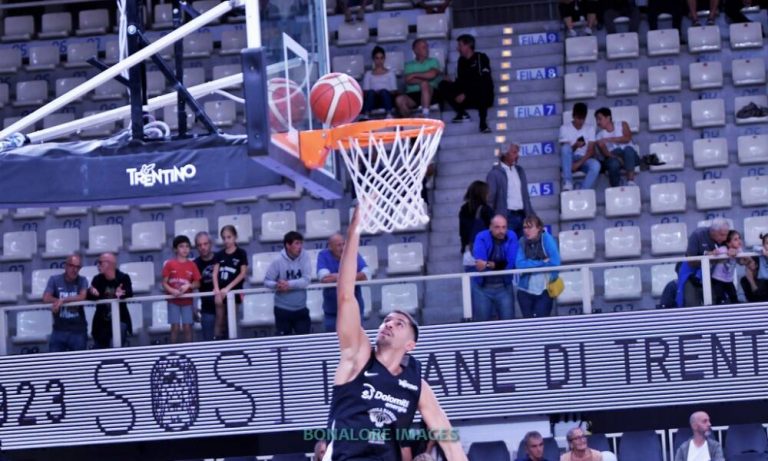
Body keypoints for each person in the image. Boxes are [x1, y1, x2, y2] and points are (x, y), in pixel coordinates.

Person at [322, 207, 467, 461]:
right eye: (386, 320)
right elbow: (345, 296)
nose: (388, 324)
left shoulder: (416, 385)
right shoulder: (358, 357)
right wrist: (355, 227)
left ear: (410, 345)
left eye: (399, 323)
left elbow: (450, 442)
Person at [439, 34, 494, 133]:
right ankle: (462, 113)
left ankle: (483, 124)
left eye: (460, 45)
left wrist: (466, 94)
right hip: (466, 97)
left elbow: (484, 80)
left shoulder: (480, 57)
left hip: (481, 96)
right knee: (443, 84)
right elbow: (461, 82)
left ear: (468, 45)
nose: (457, 48)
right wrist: (452, 83)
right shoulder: (461, 61)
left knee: (483, 88)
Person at [317, 233, 370, 332]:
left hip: (354, 310)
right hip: (332, 312)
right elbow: (325, 278)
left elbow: (366, 275)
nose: (342, 248)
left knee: (355, 339)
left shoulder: (352, 253)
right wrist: (352, 276)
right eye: (338, 245)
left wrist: (336, 276)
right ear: (330, 247)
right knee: (333, 340)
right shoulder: (323, 255)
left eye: (343, 244)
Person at [264, 231, 312, 335]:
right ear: (288, 245)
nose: (300, 247)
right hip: (282, 309)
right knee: (284, 342)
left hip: (301, 308)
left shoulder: (305, 256)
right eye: (297, 243)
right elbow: (267, 281)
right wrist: (277, 285)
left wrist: (288, 284)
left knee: (304, 341)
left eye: (301, 243)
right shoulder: (278, 260)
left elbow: (306, 280)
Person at [472, 215, 519, 321]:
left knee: (509, 324)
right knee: (481, 325)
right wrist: (498, 265)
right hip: (482, 289)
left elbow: (511, 263)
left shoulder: (512, 236)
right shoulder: (481, 237)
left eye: (504, 227)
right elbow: (480, 265)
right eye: (497, 227)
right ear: (490, 227)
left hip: (504, 287)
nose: (501, 231)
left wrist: (489, 264)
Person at [676, 219, 731, 307]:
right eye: (721, 235)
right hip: (691, 274)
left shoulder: (724, 239)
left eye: (726, 235)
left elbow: (735, 246)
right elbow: (691, 261)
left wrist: (733, 250)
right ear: (713, 231)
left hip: (712, 275)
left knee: (716, 302)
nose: (725, 238)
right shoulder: (697, 235)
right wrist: (708, 257)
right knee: (691, 303)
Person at [516, 215, 560, 318]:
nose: (526, 231)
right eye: (524, 227)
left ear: (539, 228)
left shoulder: (547, 239)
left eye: (530, 227)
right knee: (529, 324)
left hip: (545, 290)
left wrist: (529, 263)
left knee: (542, 323)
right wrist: (542, 262)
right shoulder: (522, 241)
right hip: (524, 290)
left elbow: (555, 263)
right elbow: (520, 265)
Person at [486, 143, 534, 238]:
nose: (517, 155)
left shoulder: (520, 171)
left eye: (517, 152)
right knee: (508, 245)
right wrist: (493, 219)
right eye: (514, 152)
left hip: (523, 216)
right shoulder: (494, 174)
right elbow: (490, 199)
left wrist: (532, 215)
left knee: (523, 244)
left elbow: (525, 196)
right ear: (505, 154)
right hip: (506, 217)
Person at [43, 253, 89, 352]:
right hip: (59, 329)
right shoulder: (54, 280)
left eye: (78, 267)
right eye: (72, 266)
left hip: (78, 330)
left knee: (79, 360)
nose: (75, 270)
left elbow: (82, 296)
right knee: (55, 359)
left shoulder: (82, 280)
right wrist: (57, 301)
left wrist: (63, 300)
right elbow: (46, 297)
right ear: (66, 266)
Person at [88, 252, 133, 348]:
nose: (98, 265)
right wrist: (92, 292)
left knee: (115, 349)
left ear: (109, 263)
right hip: (101, 323)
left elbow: (129, 292)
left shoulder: (123, 278)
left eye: (100, 262)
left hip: (120, 320)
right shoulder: (97, 279)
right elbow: (90, 296)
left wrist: (122, 293)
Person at [162, 235, 202, 344]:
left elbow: (198, 283)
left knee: (187, 327)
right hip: (173, 301)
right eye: (181, 246)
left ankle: (189, 351)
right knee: (174, 328)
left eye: (187, 246)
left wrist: (189, 286)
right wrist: (172, 291)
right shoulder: (169, 264)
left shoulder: (192, 265)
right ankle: (173, 351)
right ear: (175, 249)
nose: (185, 249)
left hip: (187, 302)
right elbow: (164, 283)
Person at [212, 225, 248, 340]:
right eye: (224, 238)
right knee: (219, 319)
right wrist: (217, 289)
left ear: (235, 237)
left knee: (232, 321)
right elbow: (214, 273)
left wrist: (228, 288)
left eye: (229, 237)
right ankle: (217, 344)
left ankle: (233, 345)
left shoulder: (241, 253)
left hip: (234, 293)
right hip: (220, 293)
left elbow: (242, 273)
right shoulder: (219, 254)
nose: (226, 240)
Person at [396, 39, 442, 118]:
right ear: (416, 50)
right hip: (413, 94)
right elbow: (408, 80)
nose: (427, 49)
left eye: (427, 47)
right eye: (424, 47)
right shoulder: (409, 65)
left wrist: (414, 74)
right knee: (399, 99)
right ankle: (410, 120)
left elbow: (432, 75)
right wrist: (425, 76)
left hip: (431, 93)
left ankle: (425, 114)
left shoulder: (433, 61)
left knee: (424, 84)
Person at [594, 107, 640, 188]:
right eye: (596, 120)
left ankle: (630, 181)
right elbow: (606, 154)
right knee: (613, 164)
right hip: (613, 157)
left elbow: (627, 138)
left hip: (630, 156)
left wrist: (608, 139)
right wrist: (617, 158)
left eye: (599, 119)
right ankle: (615, 188)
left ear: (608, 118)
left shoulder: (622, 124)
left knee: (628, 150)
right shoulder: (599, 136)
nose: (598, 122)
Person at [560, 102, 600, 191]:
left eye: (583, 119)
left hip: (584, 158)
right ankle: (568, 182)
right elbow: (566, 152)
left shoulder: (590, 128)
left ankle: (583, 190)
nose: (581, 122)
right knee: (565, 148)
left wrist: (578, 164)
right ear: (573, 116)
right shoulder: (564, 128)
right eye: (578, 118)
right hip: (570, 159)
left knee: (596, 165)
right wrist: (575, 146)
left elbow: (590, 151)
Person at [459, 180, 494, 272]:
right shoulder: (486, 210)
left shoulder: (464, 209)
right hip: (485, 248)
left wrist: (463, 247)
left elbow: (462, 231)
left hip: (470, 248)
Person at [361, 46, 398, 120]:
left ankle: (389, 113)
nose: (379, 61)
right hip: (373, 98)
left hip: (386, 97)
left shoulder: (390, 73)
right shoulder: (368, 74)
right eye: (377, 58)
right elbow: (365, 91)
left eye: (381, 58)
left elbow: (394, 91)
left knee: (383, 92)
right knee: (371, 93)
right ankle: (366, 114)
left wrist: (382, 91)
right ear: (373, 59)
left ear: (384, 59)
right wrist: (376, 92)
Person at [193, 231, 217, 341]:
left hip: (225, 308)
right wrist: (193, 307)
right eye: (199, 245)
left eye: (205, 244)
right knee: (209, 344)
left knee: (228, 345)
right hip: (207, 310)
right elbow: (192, 287)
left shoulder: (220, 258)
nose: (203, 247)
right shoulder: (195, 264)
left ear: (210, 244)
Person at [710, 230, 744, 305]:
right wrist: (715, 252)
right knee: (719, 299)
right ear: (728, 243)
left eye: (739, 238)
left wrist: (737, 253)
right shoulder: (723, 249)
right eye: (735, 239)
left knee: (734, 299)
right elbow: (713, 254)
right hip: (718, 279)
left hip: (729, 280)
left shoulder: (739, 250)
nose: (739, 241)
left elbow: (741, 262)